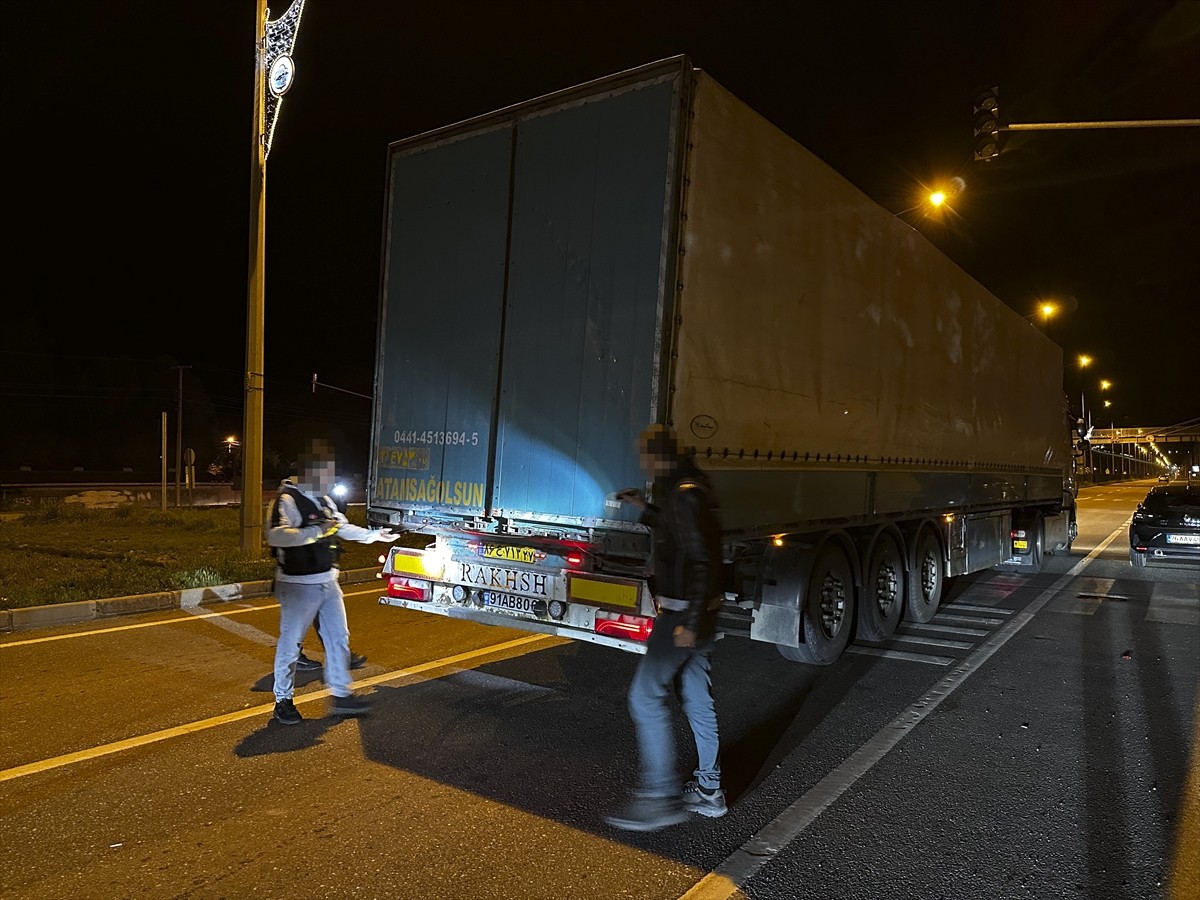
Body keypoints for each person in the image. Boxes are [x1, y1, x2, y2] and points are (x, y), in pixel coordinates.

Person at [604, 424, 727, 831]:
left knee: (644, 698)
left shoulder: (685, 494)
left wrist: (688, 624)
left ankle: (659, 798)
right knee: (696, 699)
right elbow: (678, 531)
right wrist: (644, 509)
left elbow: (702, 560)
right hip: (698, 616)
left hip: (682, 617)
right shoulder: (687, 490)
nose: (642, 462)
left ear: (658, 456)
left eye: (645, 455)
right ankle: (709, 791)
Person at [267, 438, 400, 725]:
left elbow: (342, 526)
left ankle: (341, 695)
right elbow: (276, 536)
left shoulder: (323, 499)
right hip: (298, 584)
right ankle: (283, 701)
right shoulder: (287, 500)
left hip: (328, 581)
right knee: (291, 643)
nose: (329, 480)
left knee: (338, 637)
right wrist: (315, 532)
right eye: (324, 474)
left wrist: (374, 536)